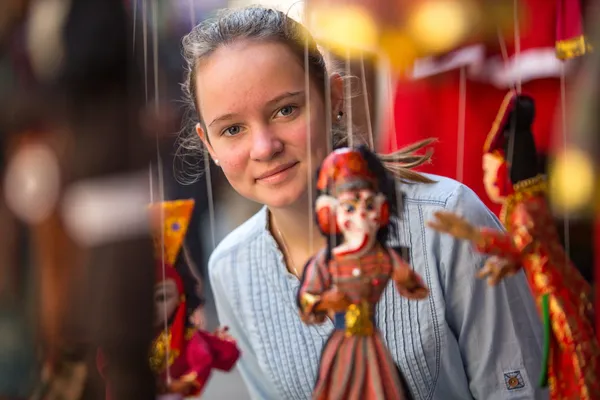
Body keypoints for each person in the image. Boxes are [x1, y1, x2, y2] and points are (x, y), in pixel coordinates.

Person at [179, 6, 547, 399]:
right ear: (208, 145)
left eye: (286, 110)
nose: (265, 147)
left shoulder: (448, 221)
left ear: (335, 98)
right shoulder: (231, 268)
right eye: (233, 129)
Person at [428, 91, 600, 399]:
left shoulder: (524, 211)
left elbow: (520, 250)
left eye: (489, 169)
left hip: (550, 302)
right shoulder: (524, 204)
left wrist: (472, 233)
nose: (486, 176)